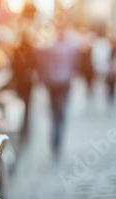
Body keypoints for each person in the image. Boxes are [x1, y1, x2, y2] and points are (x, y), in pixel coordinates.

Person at [35, 20, 81, 152]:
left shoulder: (56, 44)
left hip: (61, 82)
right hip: (56, 82)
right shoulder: (60, 44)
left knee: (57, 109)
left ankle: (56, 133)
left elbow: (75, 63)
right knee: (58, 109)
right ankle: (57, 131)